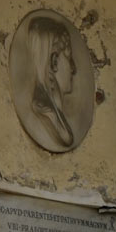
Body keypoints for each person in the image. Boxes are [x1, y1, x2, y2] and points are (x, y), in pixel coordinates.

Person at [24, 13, 80, 150]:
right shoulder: (45, 114)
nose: (74, 68)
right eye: (69, 58)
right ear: (54, 62)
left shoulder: (56, 116)